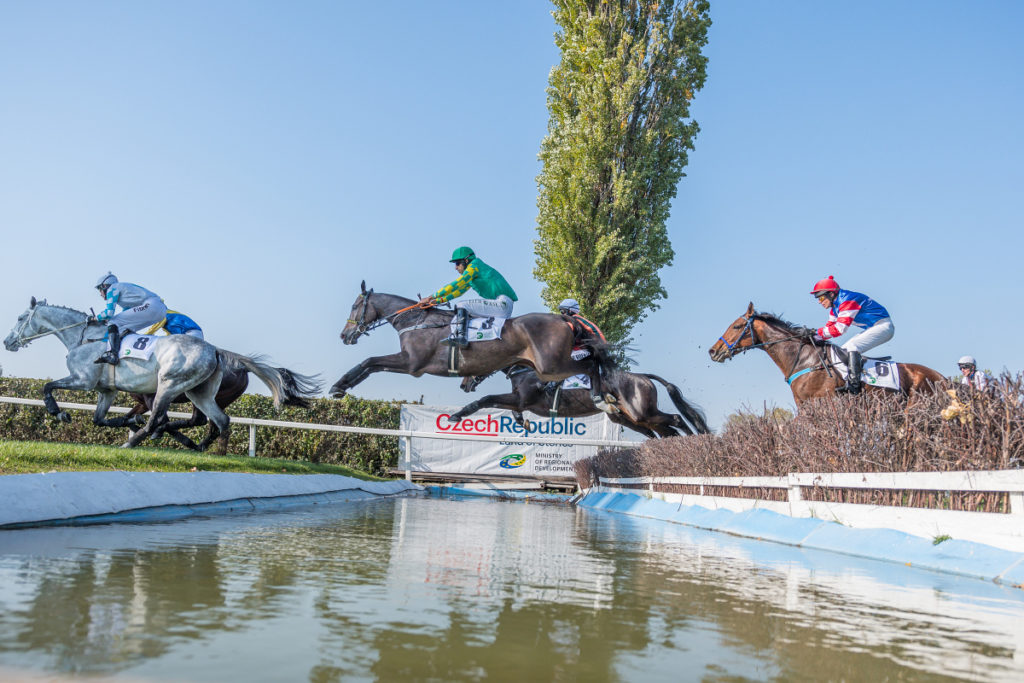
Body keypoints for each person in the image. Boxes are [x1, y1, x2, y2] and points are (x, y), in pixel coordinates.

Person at [809, 275, 894, 395]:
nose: (819, 301)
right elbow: (829, 329)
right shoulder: (834, 308)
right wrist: (810, 335)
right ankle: (854, 379)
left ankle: (854, 385)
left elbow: (839, 330)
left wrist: (816, 332)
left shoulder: (847, 300)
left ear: (831, 294)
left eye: (821, 297)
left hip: (883, 326)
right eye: (817, 298)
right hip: (873, 327)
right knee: (842, 351)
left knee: (851, 347)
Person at [419, 247, 517, 347]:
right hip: (501, 305)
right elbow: (458, 292)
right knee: (463, 309)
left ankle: (461, 337)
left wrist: (431, 297)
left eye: (457, 263)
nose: (455, 267)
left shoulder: (474, 266)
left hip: (502, 304)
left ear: (466, 261)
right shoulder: (472, 275)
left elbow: (456, 284)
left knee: (462, 305)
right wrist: (437, 301)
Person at [93, 272, 168, 365]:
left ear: (104, 286)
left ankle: (113, 355)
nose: (100, 294)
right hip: (160, 310)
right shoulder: (124, 293)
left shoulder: (112, 288)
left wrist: (95, 318)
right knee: (123, 328)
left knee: (113, 321)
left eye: (99, 289)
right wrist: (106, 320)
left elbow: (109, 313)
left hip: (151, 305)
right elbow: (125, 314)